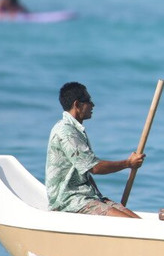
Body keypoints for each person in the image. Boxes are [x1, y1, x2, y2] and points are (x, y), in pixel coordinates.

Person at [45, 81, 145, 217]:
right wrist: (128, 163)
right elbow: (95, 168)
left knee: (137, 221)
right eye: (88, 101)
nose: (93, 105)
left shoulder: (75, 129)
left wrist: (99, 197)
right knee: (128, 223)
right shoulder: (66, 132)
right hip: (68, 201)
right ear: (77, 105)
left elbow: (83, 171)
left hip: (87, 196)